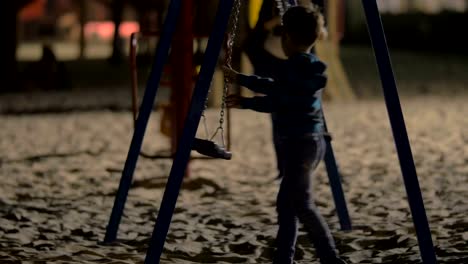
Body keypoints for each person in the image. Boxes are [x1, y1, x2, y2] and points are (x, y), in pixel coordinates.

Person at [225, 5, 346, 264]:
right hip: (311, 142)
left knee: (302, 204)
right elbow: (274, 86)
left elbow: (277, 99)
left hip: (299, 145)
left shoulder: (293, 69)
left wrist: (246, 102)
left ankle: (331, 257)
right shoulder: (308, 66)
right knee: (287, 205)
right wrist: (241, 79)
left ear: (287, 38)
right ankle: (284, 258)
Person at [244, 0, 326, 180]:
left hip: (297, 61)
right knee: (282, 116)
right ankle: (284, 168)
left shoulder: (310, 65)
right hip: (274, 60)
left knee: (303, 114)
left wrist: (246, 101)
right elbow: (259, 30)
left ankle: (299, 166)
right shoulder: (272, 4)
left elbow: (319, 32)